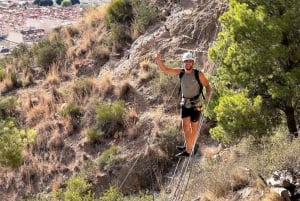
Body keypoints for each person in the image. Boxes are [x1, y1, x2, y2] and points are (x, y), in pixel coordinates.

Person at [155, 52, 211, 157]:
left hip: (197, 103)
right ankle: (189, 147)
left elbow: (207, 85)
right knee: (185, 126)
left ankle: (189, 149)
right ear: (183, 63)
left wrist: (207, 95)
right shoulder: (180, 72)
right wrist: (159, 61)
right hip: (185, 102)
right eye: (186, 61)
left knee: (194, 127)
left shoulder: (198, 74)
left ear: (193, 63)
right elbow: (166, 70)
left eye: (190, 61)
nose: (188, 63)